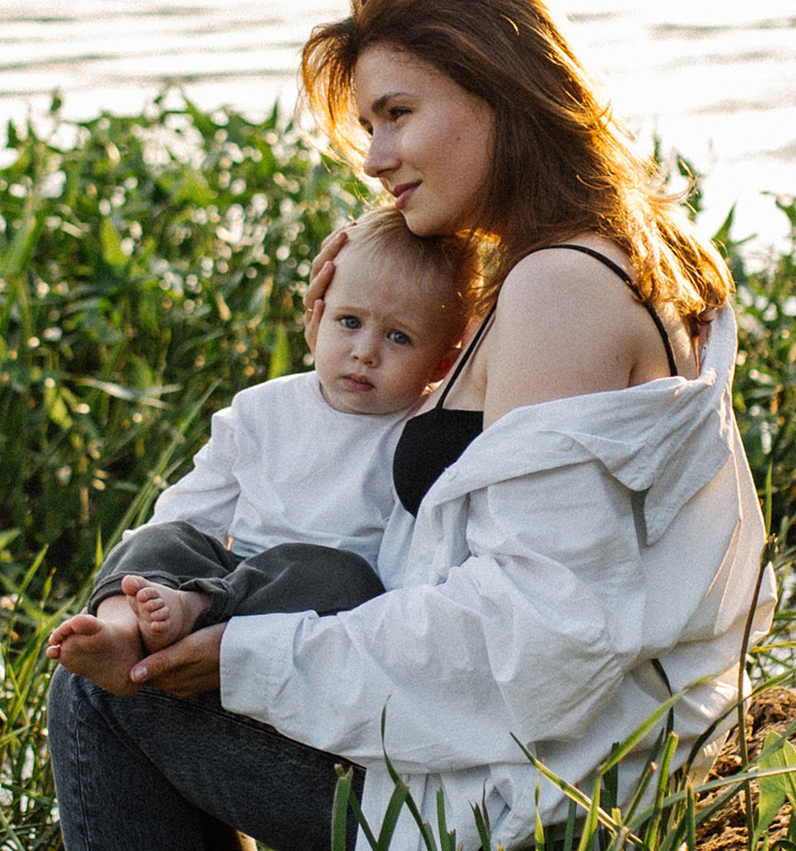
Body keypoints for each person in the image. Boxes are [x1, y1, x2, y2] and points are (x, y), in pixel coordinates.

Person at [41, 0, 773, 851]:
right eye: (365, 124)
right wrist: (377, 313)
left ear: (497, 92)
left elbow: (538, 634)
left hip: (535, 818)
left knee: (110, 695)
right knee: (153, 620)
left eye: (396, 116)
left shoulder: (558, 291)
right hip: (571, 757)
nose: (372, 157)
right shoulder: (593, 258)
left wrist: (253, 658)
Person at [45, 205, 477, 672]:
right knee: (158, 538)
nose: (364, 352)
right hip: (231, 570)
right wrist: (156, 565)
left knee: (341, 576)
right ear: (315, 321)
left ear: (441, 365)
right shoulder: (260, 410)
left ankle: (198, 610)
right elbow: (194, 507)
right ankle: (117, 631)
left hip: (305, 606)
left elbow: (404, 565)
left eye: (399, 337)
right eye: (349, 322)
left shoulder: (415, 436)